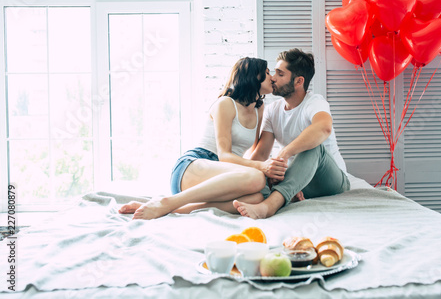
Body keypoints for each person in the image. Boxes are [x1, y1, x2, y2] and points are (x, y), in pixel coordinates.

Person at [119, 57, 287, 219]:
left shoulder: (259, 109)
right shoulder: (226, 104)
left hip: (224, 176)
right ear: (253, 76)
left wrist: (271, 172)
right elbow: (224, 155)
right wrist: (261, 168)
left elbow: (255, 154)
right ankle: (169, 201)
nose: (272, 78)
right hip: (195, 165)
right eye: (266, 73)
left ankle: (169, 209)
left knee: (256, 198)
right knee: (256, 177)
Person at [233, 48, 350, 219]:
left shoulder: (315, 102)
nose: (272, 77)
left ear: (298, 81)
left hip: (329, 179)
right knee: (262, 177)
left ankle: (269, 207)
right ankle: (288, 191)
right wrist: (242, 177)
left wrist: (284, 153)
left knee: (313, 147)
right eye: (274, 72)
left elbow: (324, 127)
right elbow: (261, 154)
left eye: (280, 74)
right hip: (298, 179)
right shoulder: (273, 110)